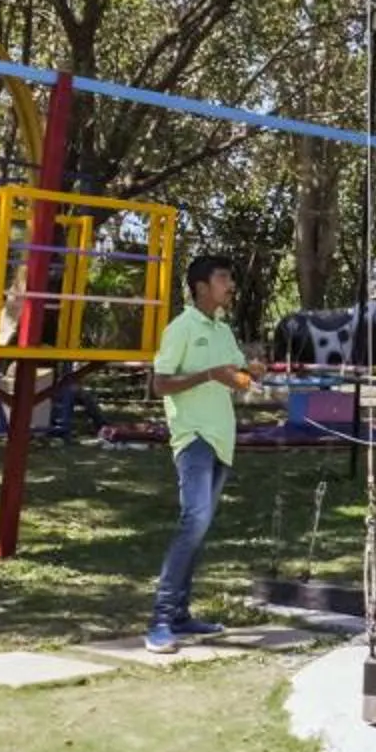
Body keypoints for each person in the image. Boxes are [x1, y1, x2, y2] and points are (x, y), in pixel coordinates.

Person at [147, 252, 252, 651]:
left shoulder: (223, 330)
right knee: (194, 521)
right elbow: (160, 384)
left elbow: (238, 376)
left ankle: (180, 616)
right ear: (201, 287)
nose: (230, 285)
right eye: (223, 278)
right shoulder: (181, 328)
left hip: (223, 439)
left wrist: (249, 374)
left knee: (200, 527)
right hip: (193, 438)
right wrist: (209, 375)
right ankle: (159, 621)